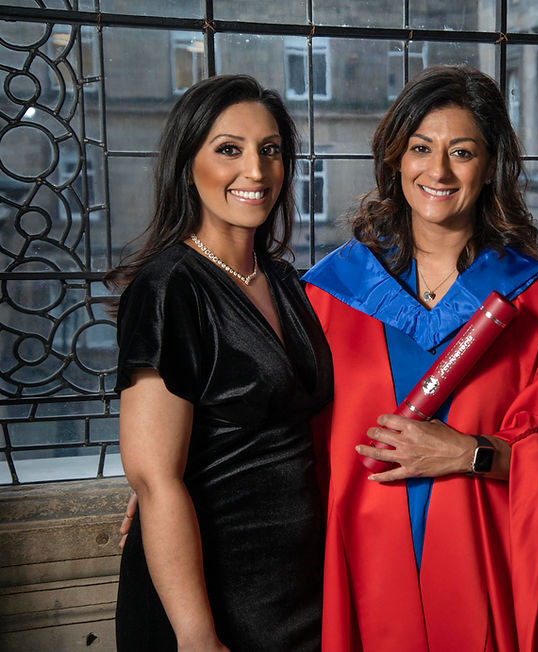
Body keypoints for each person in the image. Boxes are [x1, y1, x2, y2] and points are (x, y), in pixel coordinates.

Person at [302, 65, 538, 651]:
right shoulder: (330, 294)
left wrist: (470, 453)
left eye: (461, 152)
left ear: (489, 166)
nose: (438, 171)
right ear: (396, 158)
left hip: (484, 583)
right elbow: (279, 429)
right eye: (420, 148)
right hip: (358, 577)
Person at [107, 74, 333, 651]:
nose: (256, 171)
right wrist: (196, 636)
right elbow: (156, 479)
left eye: (270, 150)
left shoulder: (283, 280)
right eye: (229, 149)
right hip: (210, 597)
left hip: (295, 587)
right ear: (188, 164)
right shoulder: (169, 286)